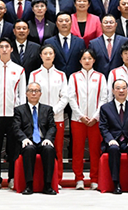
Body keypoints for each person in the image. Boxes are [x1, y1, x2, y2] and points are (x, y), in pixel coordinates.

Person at [0, 38, 27, 189]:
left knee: (13, 149)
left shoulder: (19, 70)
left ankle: (12, 177)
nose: (4, 49)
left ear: (11, 49)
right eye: (1, 47)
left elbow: (22, 94)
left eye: (7, 46)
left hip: (13, 115)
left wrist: (22, 116)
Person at [68, 48, 108, 190]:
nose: (87, 61)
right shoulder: (74, 77)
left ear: (94, 60)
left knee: (95, 150)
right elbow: (71, 97)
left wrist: (96, 116)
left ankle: (95, 178)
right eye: (84, 58)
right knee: (77, 150)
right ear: (80, 60)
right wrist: (80, 115)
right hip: (77, 120)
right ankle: (79, 178)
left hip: (95, 120)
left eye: (89, 58)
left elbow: (104, 98)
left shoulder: (100, 77)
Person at [29, 44, 68, 187]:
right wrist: (42, 113)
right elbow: (32, 95)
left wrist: (53, 111)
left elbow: (65, 97)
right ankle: (39, 178)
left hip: (57, 118)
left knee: (57, 149)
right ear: (40, 56)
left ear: (54, 56)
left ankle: (57, 179)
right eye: (45, 53)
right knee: (39, 149)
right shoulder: (34, 75)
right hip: (37, 118)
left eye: (50, 53)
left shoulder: (61, 75)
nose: (48, 56)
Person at [98, 79, 128, 194]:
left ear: (127, 90)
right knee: (113, 149)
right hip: (113, 141)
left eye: (124, 88)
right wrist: (110, 140)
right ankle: (116, 184)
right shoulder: (105, 108)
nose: (121, 91)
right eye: (118, 88)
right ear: (113, 91)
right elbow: (103, 127)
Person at [13, 82, 57, 195]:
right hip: (28, 141)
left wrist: (48, 138)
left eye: (36, 91)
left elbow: (52, 127)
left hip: (43, 140)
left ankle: (48, 185)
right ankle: (29, 185)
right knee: (29, 149)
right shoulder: (19, 110)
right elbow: (16, 128)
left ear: (40, 94)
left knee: (49, 149)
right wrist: (24, 139)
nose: (33, 93)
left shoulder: (47, 109)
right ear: (26, 93)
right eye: (31, 91)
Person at [44, 12, 86, 77]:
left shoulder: (80, 42)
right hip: (55, 78)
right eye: (61, 21)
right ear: (56, 24)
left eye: (67, 21)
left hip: (76, 78)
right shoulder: (49, 42)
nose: (64, 23)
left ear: (71, 23)